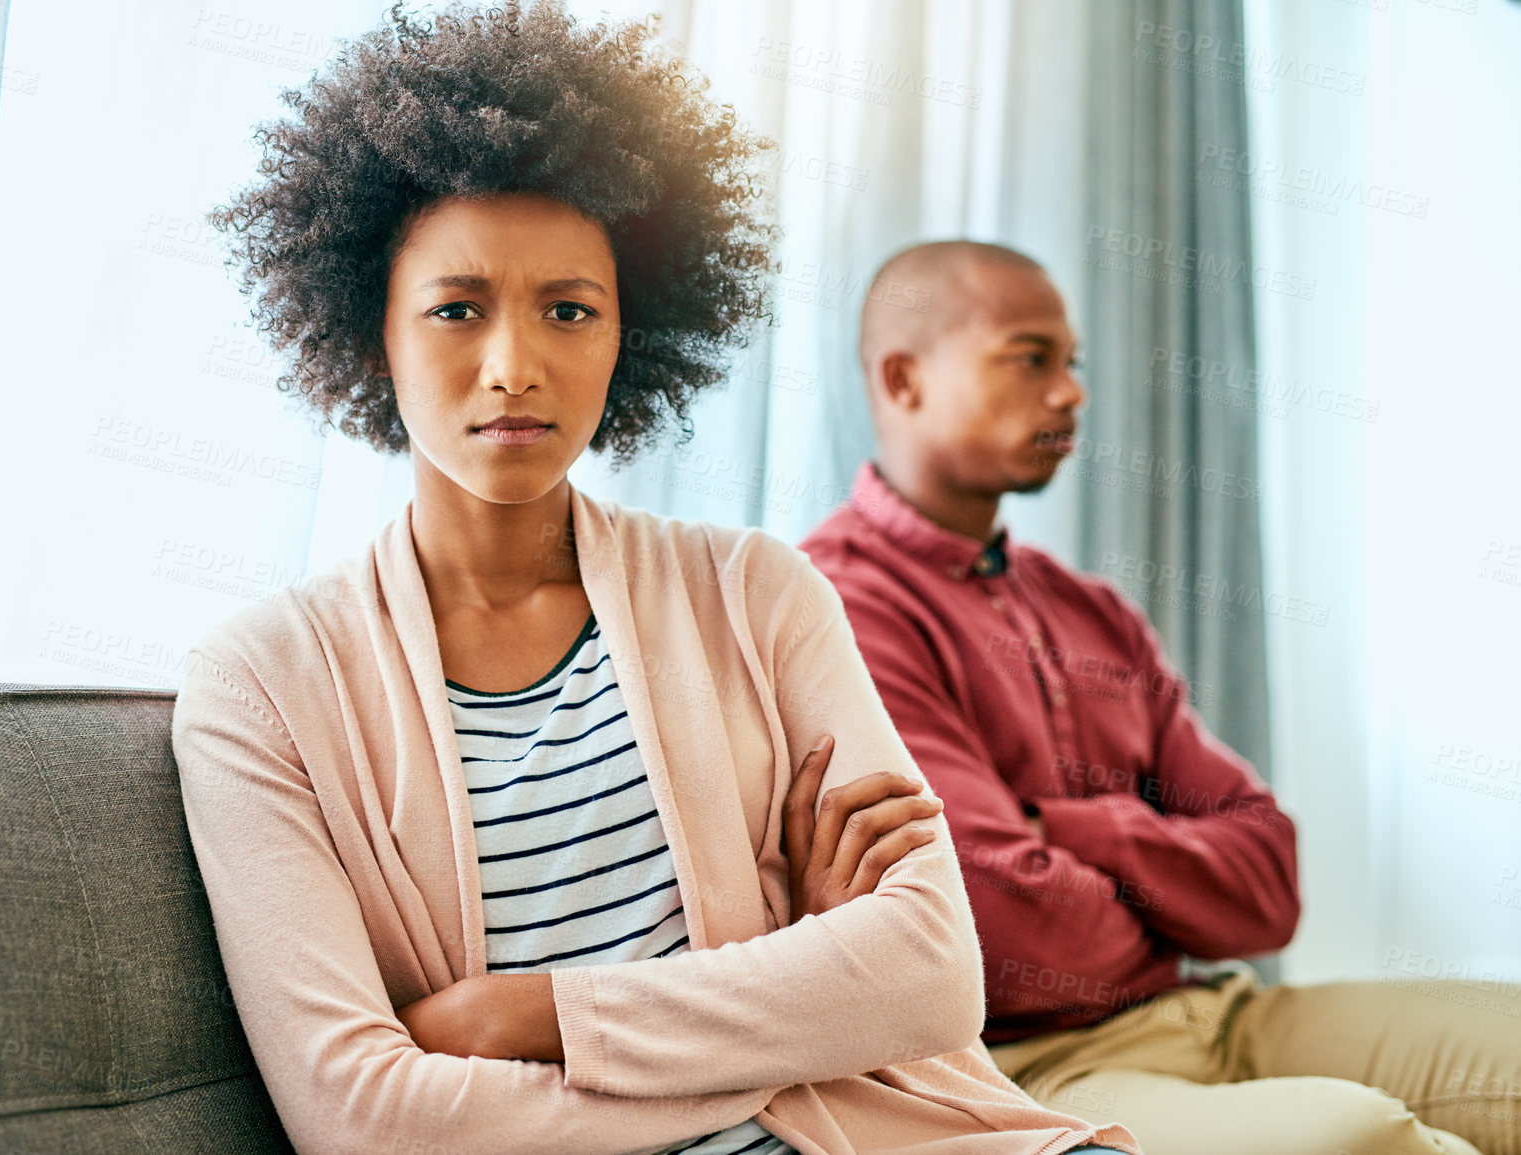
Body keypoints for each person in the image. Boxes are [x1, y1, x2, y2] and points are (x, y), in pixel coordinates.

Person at [171, 6, 1140, 1154]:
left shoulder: (757, 594)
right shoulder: (261, 687)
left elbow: (930, 977)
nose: (514, 365)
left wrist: (527, 1015)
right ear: (370, 329)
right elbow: (366, 1119)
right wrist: (802, 1000)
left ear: (631, 332)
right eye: (455, 309)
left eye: (570, 310)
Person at [798, 239, 1521, 1155]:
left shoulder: (1090, 608)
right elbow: (1002, 931)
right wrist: (1164, 896)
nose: (1071, 394)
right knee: (1360, 1137)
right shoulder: (835, 604)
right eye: (1031, 358)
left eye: (1072, 363)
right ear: (902, 380)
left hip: (1214, 1013)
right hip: (1029, 1069)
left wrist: (1077, 828)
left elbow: (1267, 881)